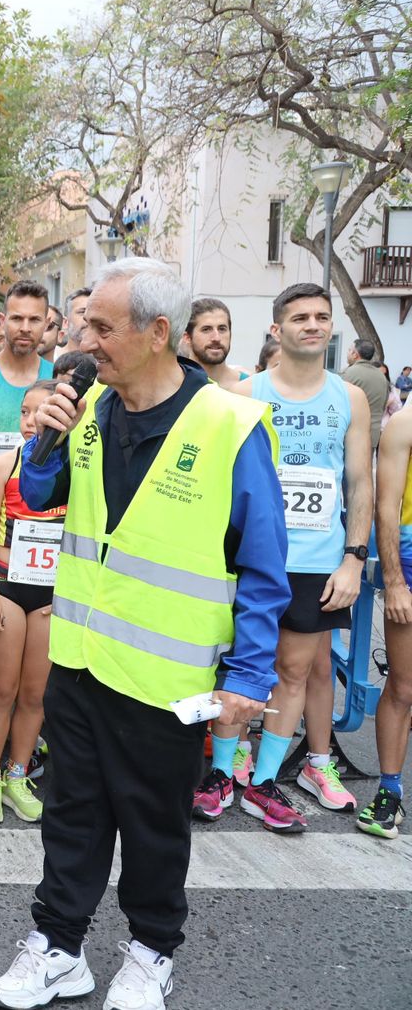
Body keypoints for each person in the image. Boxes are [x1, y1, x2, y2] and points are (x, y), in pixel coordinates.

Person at [0, 257, 286, 1010]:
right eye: (84, 324)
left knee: (153, 824)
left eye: (101, 327)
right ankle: (58, 946)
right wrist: (44, 438)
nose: (84, 340)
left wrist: (249, 677)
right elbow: (43, 495)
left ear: (159, 333)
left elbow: (263, 562)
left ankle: (151, 953)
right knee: (71, 814)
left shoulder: (229, 423)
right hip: (80, 660)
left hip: (167, 676)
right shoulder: (86, 405)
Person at [210, 283, 371, 830]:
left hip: (317, 558)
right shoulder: (243, 391)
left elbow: (359, 481)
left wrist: (353, 558)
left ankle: (265, 780)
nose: (313, 325)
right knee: (236, 664)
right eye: (300, 317)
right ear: (276, 330)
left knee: (294, 670)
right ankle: (221, 772)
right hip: (249, 555)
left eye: (322, 317)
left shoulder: (348, 397)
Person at [0, 380, 65, 826]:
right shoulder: (4, 463)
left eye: (39, 413)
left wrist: (66, 596)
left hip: (51, 594)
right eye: (25, 412)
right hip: (8, 586)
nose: (31, 422)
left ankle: (17, 775)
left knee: (34, 695)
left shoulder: (74, 469)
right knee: (4, 690)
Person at [363, 405, 412, 839]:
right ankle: (389, 791)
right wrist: (395, 582)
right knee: (403, 684)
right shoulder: (405, 423)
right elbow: (387, 506)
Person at [0, 282, 55, 464]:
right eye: (17, 318)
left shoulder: (58, 380)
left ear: (47, 323)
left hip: (38, 492)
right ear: (3, 320)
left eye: (34, 320)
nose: (25, 328)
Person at [182, 298, 245, 389]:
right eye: (206, 329)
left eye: (222, 329)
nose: (216, 338)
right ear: (187, 337)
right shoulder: (172, 387)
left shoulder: (251, 387)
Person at [341, 338, 389, 451]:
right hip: (373, 435)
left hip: (349, 435)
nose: (347, 353)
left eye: (349, 350)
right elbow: (384, 404)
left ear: (355, 354)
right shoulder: (381, 376)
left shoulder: (347, 373)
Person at [57, 288, 91, 357]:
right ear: (65, 322)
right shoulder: (50, 360)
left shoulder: (108, 363)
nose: (89, 318)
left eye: (94, 312)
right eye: (82, 312)